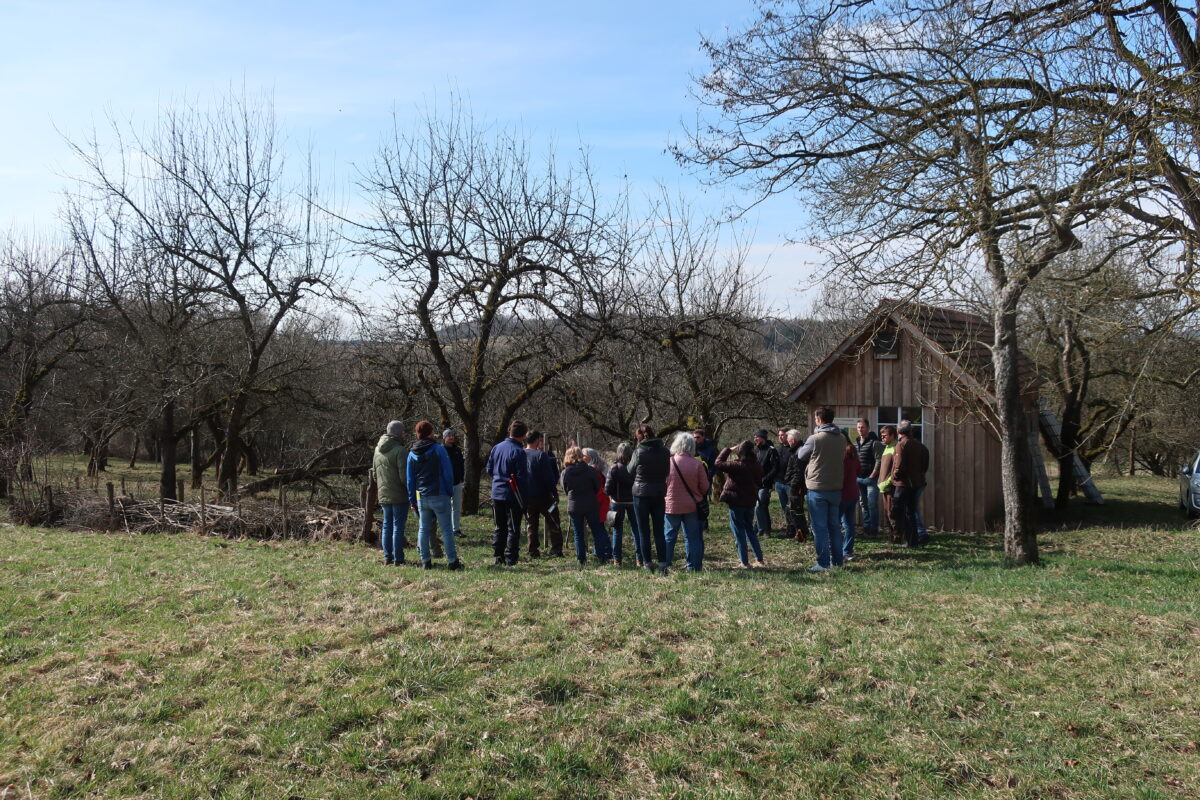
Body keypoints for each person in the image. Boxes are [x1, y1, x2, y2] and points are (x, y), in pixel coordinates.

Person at [793, 407, 846, 572]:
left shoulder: (815, 438)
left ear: (819, 419)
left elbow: (801, 455)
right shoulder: (842, 438)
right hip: (836, 487)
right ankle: (838, 561)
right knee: (834, 527)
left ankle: (823, 563)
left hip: (817, 487)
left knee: (819, 527)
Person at [406, 420, 463, 570]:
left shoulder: (411, 454)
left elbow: (410, 480)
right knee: (446, 529)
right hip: (440, 494)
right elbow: (448, 473)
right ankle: (452, 561)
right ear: (430, 433)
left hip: (421, 497)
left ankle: (425, 561)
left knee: (423, 529)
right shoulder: (439, 449)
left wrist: (412, 499)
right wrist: (449, 492)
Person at [484, 420, 530, 566]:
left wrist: (498, 478)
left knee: (499, 526)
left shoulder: (496, 448)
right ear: (523, 435)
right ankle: (511, 558)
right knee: (513, 527)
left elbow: (489, 469)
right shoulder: (519, 452)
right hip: (512, 493)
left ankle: (498, 555)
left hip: (497, 492)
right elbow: (522, 477)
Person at [715, 440, 766, 568]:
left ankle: (744, 561)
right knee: (750, 530)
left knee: (739, 532)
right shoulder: (757, 466)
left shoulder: (737, 465)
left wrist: (727, 449)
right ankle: (759, 559)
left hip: (736, 502)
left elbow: (718, 463)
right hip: (750, 501)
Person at [665, 431, 711, 572]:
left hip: (671, 505)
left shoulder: (668, 463)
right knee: (693, 538)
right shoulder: (697, 464)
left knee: (669, 537)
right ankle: (694, 566)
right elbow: (705, 488)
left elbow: (663, 484)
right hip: (692, 505)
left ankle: (665, 564)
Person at [628, 424, 670, 574]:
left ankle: (647, 563)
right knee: (659, 530)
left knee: (643, 530)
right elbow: (667, 472)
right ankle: (663, 563)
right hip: (658, 493)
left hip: (641, 494)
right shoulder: (665, 451)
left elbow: (629, 469)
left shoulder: (638, 451)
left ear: (640, 436)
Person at [560, 446, 612, 566]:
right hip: (590, 504)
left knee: (578, 534)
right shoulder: (591, 470)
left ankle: (581, 559)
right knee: (597, 531)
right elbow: (597, 486)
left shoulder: (565, 472)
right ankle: (601, 556)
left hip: (574, 505)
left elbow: (565, 488)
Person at [373, 420, 409, 565]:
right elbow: (404, 477)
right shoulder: (400, 450)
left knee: (387, 525)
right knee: (398, 526)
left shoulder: (376, 450)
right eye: (404, 431)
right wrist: (411, 492)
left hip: (383, 494)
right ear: (400, 432)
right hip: (399, 495)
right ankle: (399, 559)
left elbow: (375, 475)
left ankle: (388, 557)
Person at [523, 430, 564, 558]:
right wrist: (554, 493)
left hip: (526, 496)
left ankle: (533, 550)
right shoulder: (541, 455)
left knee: (531, 524)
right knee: (553, 520)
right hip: (543, 496)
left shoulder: (520, 454)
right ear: (537, 440)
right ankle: (556, 548)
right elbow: (549, 478)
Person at [890, 420, 930, 548]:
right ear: (910, 431)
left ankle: (906, 540)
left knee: (899, 512)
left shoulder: (901, 445)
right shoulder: (921, 446)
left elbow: (899, 467)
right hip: (917, 483)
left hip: (903, 484)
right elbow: (925, 466)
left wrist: (895, 476)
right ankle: (913, 543)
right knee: (911, 513)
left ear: (897, 432)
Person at [606, 442, 640, 566]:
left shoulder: (614, 468)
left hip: (617, 502)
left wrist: (611, 496)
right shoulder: (635, 467)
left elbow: (608, 488)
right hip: (633, 501)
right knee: (636, 530)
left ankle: (617, 560)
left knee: (617, 531)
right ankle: (639, 559)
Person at [853, 419, 884, 538]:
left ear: (868, 428)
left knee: (872, 504)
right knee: (863, 504)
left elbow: (879, 460)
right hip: (859, 479)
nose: (860, 430)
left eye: (863, 427)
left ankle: (873, 529)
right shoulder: (856, 443)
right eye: (859, 427)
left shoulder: (874, 442)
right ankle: (866, 527)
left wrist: (873, 475)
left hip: (871, 480)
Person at [752, 429, 781, 538]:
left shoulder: (771, 450)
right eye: (754, 437)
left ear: (763, 438)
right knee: (761, 506)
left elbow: (775, 468)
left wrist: (765, 479)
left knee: (760, 505)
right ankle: (762, 527)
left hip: (765, 484)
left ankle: (764, 530)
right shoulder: (755, 450)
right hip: (754, 484)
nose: (755, 439)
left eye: (757, 437)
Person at [783, 429, 811, 542]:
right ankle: (797, 533)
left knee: (796, 511)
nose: (787, 442)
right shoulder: (797, 450)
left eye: (788, 440)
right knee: (793, 510)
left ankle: (802, 535)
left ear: (793, 440)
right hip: (795, 485)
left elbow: (799, 471)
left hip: (797, 486)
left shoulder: (799, 451)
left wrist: (793, 484)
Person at [839, 432, 860, 561]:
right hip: (853, 493)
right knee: (849, 524)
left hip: (842, 494)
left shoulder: (842, 455)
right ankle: (847, 551)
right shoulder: (854, 454)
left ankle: (837, 550)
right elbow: (859, 471)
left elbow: (840, 476)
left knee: (835, 524)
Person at [692, 428, 718, 533]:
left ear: (703, 437)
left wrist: (707, 476)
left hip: (705, 479)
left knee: (702, 500)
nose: (696, 439)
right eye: (694, 437)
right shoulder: (691, 448)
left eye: (698, 437)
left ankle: (704, 523)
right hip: (692, 479)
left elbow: (714, 465)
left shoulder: (711, 449)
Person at [877, 426, 899, 543]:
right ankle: (892, 537)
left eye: (885, 436)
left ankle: (897, 538)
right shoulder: (886, 447)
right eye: (882, 436)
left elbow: (896, 468)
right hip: (883, 487)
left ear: (892, 436)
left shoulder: (896, 447)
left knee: (892, 513)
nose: (882, 438)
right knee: (887, 512)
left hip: (891, 487)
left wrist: (888, 482)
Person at [443, 429, 466, 540]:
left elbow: (461, 464)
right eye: (449, 436)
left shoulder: (457, 450)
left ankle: (456, 529)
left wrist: (462, 477)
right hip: (445, 484)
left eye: (452, 435)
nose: (451, 437)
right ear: (444, 438)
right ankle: (446, 529)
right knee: (445, 508)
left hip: (457, 483)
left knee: (456, 508)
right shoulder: (441, 450)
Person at [774, 428, 793, 535]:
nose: (780, 437)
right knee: (784, 507)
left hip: (790, 484)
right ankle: (789, 527)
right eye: (779, 435)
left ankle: (795, 528)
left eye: (782, 435)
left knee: (792, 507)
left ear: (788, 436)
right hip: (779, 483)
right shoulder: (778, 449)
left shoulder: (793, 448)